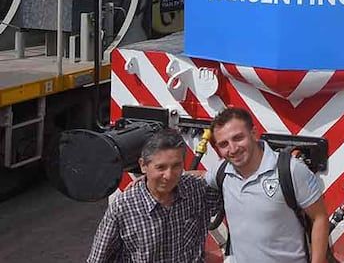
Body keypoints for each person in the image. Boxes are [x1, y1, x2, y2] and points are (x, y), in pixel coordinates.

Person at [207, 107, 329, 263]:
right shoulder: (222, 171)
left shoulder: (290, 170)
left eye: (238, 138)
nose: (233, 149)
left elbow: (320, 218)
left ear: (253, 133)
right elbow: (202, 177)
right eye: (224, 144)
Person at [88, 129, 218, 263]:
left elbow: (230, 174)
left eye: (176, 166)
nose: (169, 175)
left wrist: (189, 175)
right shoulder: (124, 206)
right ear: (143, 165)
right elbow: (98, 258)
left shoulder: (197, 190)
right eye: (161, 167)